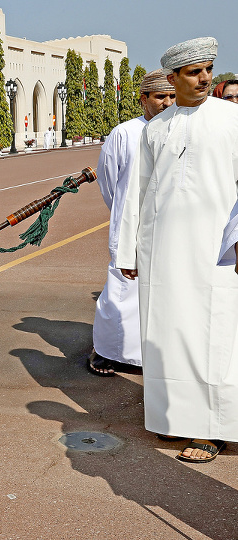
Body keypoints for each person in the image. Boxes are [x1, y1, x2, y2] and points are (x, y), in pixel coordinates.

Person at [115, 37, 238, 463]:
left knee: (215, 334)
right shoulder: (156, 127)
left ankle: (213, 429)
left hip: (216, 248)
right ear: (172, 78)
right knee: (167, 334)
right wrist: (128, 253)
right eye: (193, 72)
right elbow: (137, 194)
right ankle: (174, 420)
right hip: (162, 250)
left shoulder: (232, 118)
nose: (205, 78)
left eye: (208, 69)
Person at [89, 70, 175, 376]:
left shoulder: (181, 129)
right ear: (144, 99)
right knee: (122, 292)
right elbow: (108, 179)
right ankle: (106, 351)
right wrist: (123, 213)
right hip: (130, 225)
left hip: (170, 227)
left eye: (172, 96)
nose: (167, 102)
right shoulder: (124, 133)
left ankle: (150, 355)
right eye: (160, 96)